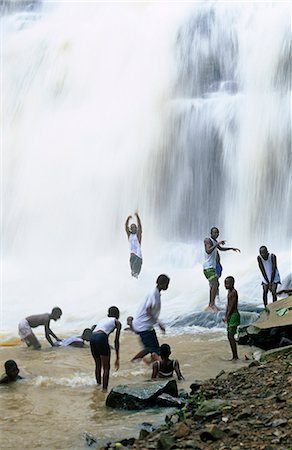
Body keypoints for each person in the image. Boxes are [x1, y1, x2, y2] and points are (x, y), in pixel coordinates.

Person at [131, 274, 170, 363]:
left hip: (147, 325)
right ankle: (134, 361)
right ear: (162, 284)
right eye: (167, 284)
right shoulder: (153, 293)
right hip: (142, 325)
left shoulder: (156, 293)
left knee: (156, 349)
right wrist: (159, 323)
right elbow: (148, 310)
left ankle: (149, 363)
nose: (167, 286)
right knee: (150, 348)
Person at [203, 227, 240, 311]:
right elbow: (208, 250)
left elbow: (220, 249)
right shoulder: (207, 240)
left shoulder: (215, 242)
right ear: (211, 233)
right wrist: (217, 244)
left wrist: (231, 248)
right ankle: (211, 304)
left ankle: (211, 304)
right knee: (215, 284)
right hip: (208, 267)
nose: (217, 234)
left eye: (218, 233)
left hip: (212, 267)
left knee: (214, 285)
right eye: (215, 233)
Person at [89, 306, 121, 392]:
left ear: (108, 314)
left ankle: (98, 385)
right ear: (118, 315)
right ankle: (104, 390)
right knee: (106, 368)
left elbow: (93, 328)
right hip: (101, 337)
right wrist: (117, 357)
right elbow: (116, 341)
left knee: (98, 365)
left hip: (92, 337)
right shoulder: (117, 322)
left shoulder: (102, 320)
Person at [223, 276, 240, 361]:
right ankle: (234, 355)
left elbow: (232, 306)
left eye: (227, 283)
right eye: (225, 284)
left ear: (232, 284)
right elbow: (228, 305)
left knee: (230, 336)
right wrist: (225, 314)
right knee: (230, 336)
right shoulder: (229, 292)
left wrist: (227, 316)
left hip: (234, 315)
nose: (225, 285)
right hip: (230, 315)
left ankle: (235, 356)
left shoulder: (233, 292)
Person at [125, 211, 142, 278]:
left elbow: (140, 227)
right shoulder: (130, 235)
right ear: (130, 229)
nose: (133, 228)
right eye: (132, 227)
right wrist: (128, 219)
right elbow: (126, 227)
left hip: (138, 256)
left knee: (136, 273)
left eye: (135, 227)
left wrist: (137, 217)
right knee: (132, 273)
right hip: (132, 256)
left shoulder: (138, 236)